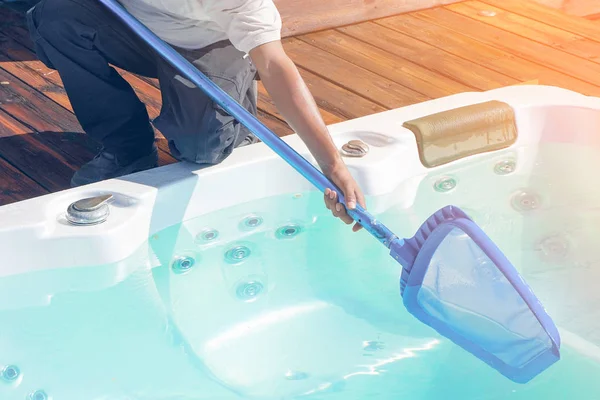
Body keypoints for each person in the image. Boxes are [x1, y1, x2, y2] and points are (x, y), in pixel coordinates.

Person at [25, 0, 367, 231]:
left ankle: (235, 104)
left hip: (208, 45)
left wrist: (332, 164)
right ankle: (127, 147)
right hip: (135, 27)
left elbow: (276, 66)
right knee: (55, 18)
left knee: (203, 149)